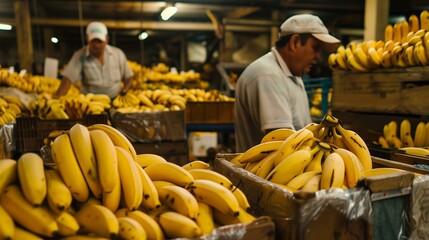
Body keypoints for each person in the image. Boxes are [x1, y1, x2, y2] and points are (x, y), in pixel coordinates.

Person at [234, 14, 340, 152]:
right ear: (295, 42)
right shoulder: (267, 75)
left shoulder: (292, 74)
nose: (319, 56)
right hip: (265, 172)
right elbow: (283, 142)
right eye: (315, 47)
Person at [55, 21, 134, 98]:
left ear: (107, 40)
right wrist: (57, 98)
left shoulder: (118, 54)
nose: (96, 45)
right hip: (90, 102)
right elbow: (68, 78)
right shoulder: (80, 55)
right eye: (93, 41)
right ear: (87, 39)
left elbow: (128, 77)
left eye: (99, 41)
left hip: (116, 99)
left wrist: (124, 91)